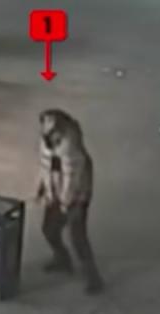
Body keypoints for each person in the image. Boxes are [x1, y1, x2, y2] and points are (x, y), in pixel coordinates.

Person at [35, 108, 103, 294]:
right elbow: (44, 165)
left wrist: (66, 203)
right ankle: (62, 260)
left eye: (49, 125)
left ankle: (93, 278)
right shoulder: (46, 141)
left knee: (78, 236)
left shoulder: (70, 147)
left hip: (77, 195)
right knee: (49, 228)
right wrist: (43, 189)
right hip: (57, 190)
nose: (44, 129)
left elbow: (73, 178)